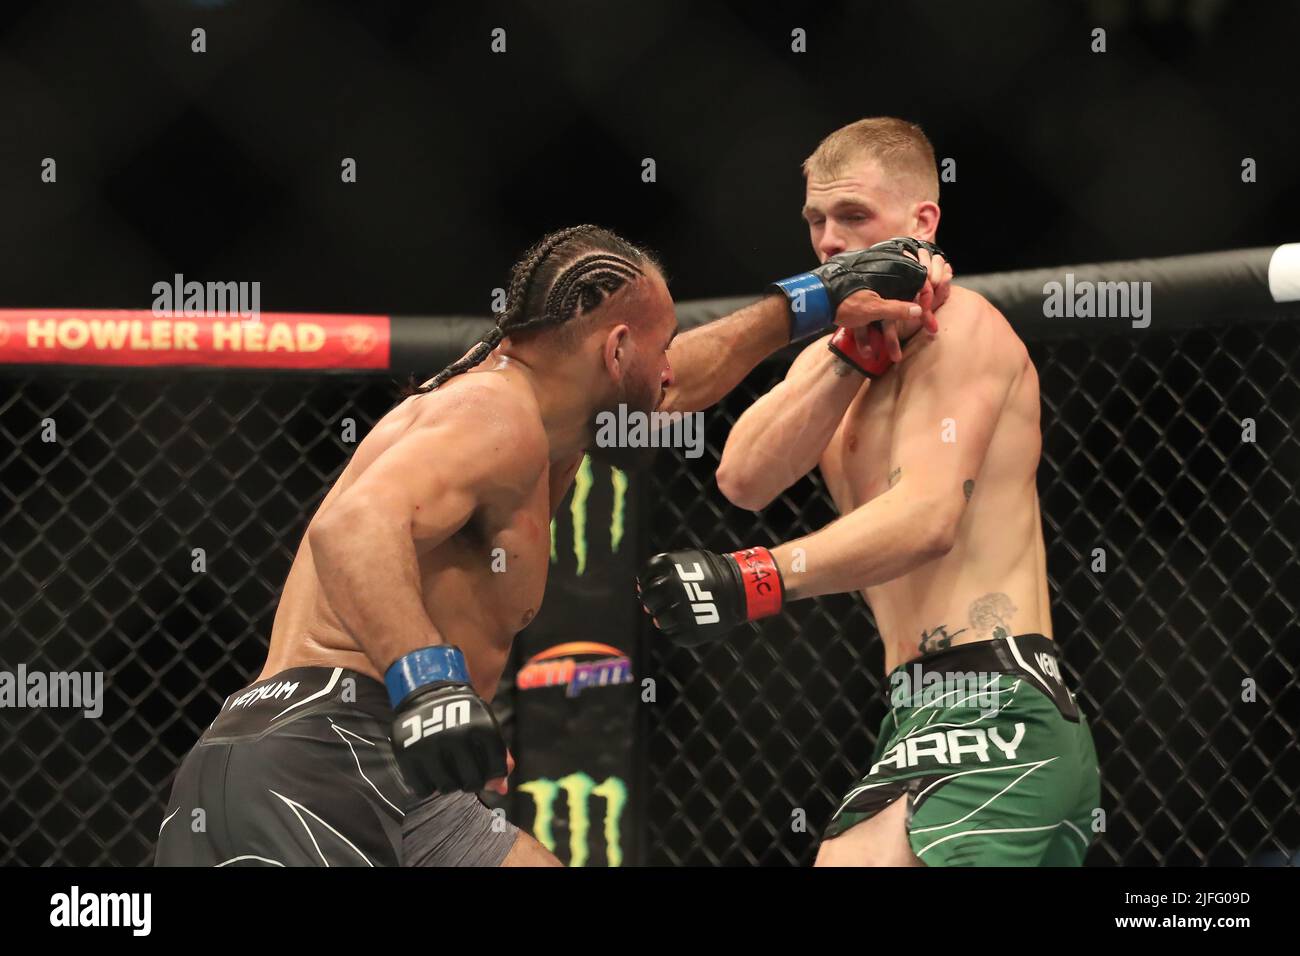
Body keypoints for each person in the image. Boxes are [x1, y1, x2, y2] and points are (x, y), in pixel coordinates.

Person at [155, 222, 946, 866]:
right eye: (660, 343)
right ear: (615, 351)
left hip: (382, 771)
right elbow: (351, 526)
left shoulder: (546, 412)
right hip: (325, 754)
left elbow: (682, 377)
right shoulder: (493, 415)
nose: (672, 364)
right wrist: (430, 686)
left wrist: (817, 302)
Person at [638, 118, 1100, 867]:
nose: (828, 240)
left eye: (853, 216)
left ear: (923, 223)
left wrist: (753, 577)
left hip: (995, 706)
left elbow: (926, 518)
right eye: (816, 221)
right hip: (913, 712)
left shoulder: (965, 330)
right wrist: (847, 350)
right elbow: (744, 475)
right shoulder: (840, 362)